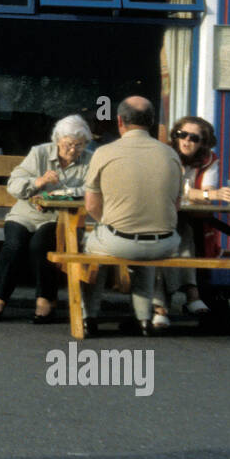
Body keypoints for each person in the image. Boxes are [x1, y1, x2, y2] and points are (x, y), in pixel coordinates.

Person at [81, 96, 182, 336]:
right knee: (147, 236)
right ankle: (144, 319)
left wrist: (113, 222)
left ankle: (89, 317)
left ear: (119, 121)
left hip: (120, 241)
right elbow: (176, 204)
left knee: (94, 247)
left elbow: (92, 206)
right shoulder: (171, 155)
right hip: (165, 244)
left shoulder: (104, 152)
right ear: (152, 122)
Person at [0, 115, 93, 323]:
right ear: (57, 141)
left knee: (40, 245)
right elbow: (14, 184)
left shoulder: (90, 160)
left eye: (79, 146)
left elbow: (91, 189)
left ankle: (45, 299)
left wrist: (60, 194)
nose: (73, 151)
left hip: (60, 217)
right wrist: (39, 182)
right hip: (25, 212)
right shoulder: (39, 153)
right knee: (14, 244)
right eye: (68, 145)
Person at [156, 116, 230, 321]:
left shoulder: (209, 159)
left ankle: (160, 306)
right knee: (174, 235)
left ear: (203, 143)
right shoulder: (164, 154)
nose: (186, 141)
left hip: (186, 219)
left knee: (183, 231)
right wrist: (210, 195)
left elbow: (207, 191)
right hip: (157, 215)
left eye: (193, 138)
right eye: (181, 135)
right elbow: (175, 189)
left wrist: (219, 194)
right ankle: (192, 295)